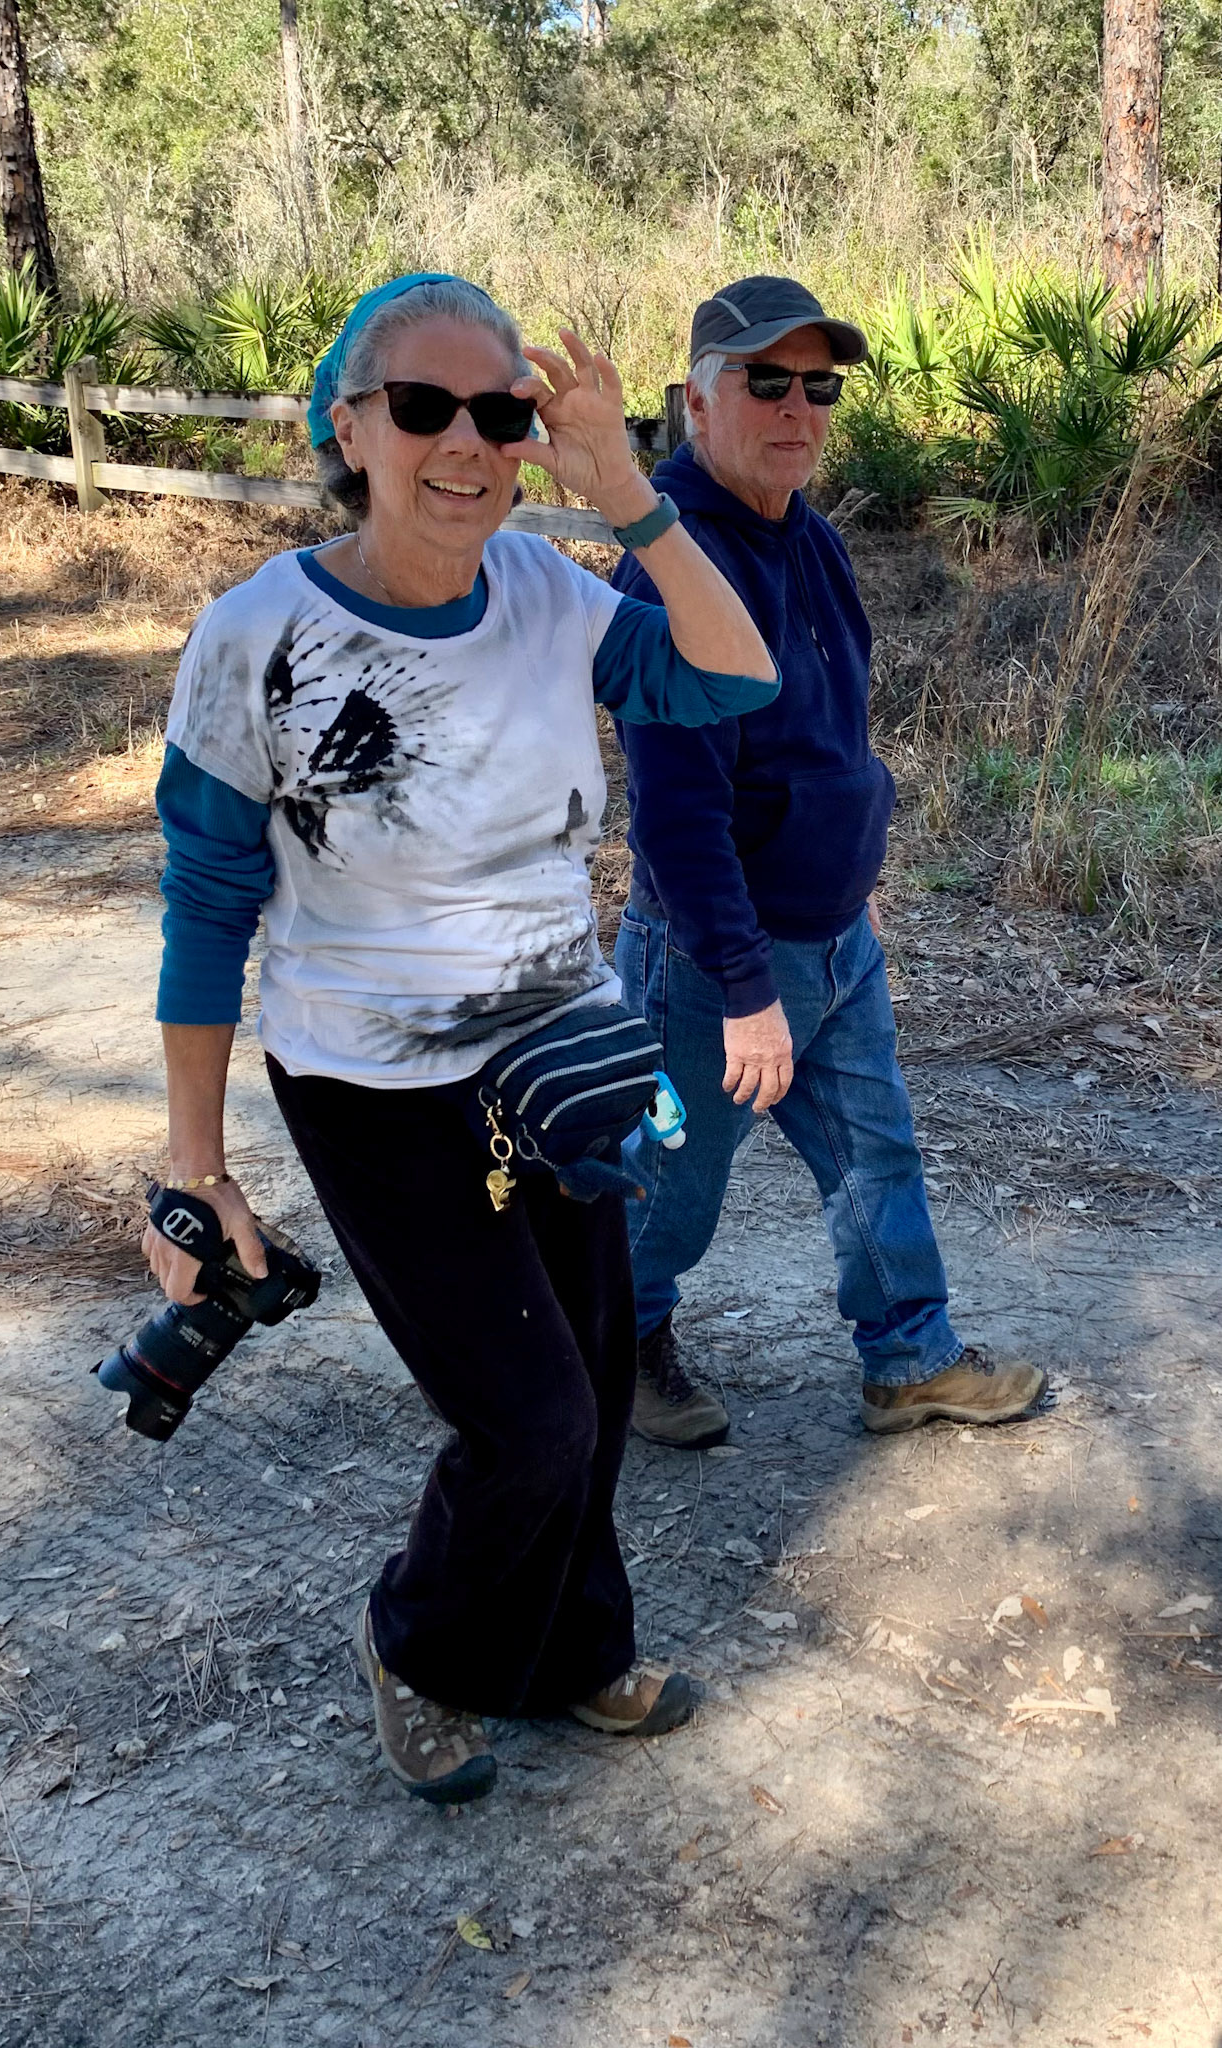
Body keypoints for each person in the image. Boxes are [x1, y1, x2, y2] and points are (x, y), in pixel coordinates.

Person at [139, 272, 778, 1804]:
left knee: (600, 1386)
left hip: (563, 1058)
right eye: (422, 407)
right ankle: (419, 1646)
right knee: (528, 1414)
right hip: (374, 1081)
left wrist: (625, 492)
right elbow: (208, 903)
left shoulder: (558, 595)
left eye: (499, 413)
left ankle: (568, 1652)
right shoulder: (254, 636)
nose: (467, 444)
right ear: (348, 425)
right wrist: (194, 1166)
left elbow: (733, 671)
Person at [613, 274, 1047, 1449]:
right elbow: (675, 811)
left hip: (835, 934)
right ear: (697, 402)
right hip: (714, 956)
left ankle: (910, 1356)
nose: (798, 407)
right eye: (766, 380)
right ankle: (608, 1347)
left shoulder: (812, 537)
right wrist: (747, 985)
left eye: (820, 385)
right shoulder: (674, 557)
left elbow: (832, 736)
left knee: (874, 1148)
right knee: (666, 1182)